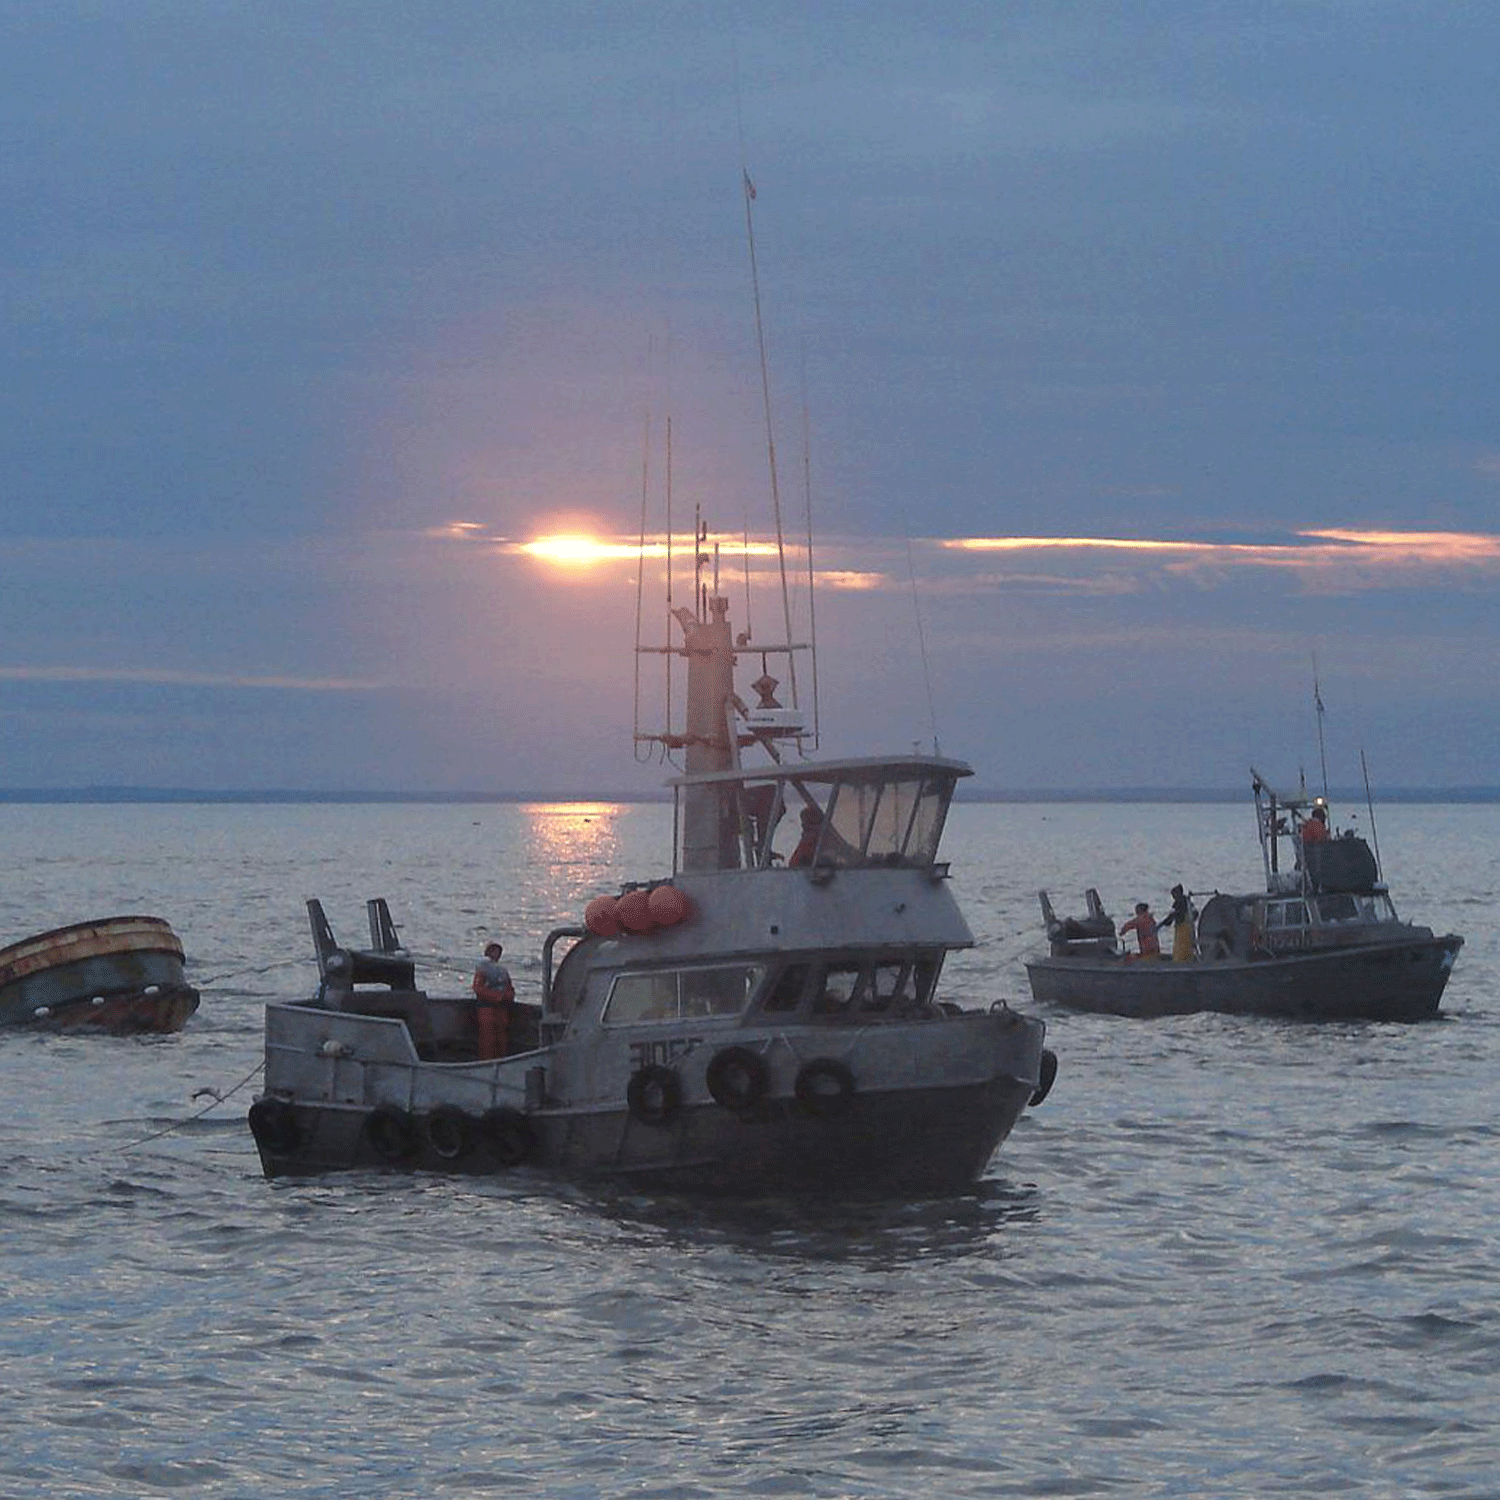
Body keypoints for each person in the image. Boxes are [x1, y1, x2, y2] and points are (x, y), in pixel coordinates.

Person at [472, 941, 515, 1059]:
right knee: (487, 1038)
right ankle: (486, 1062)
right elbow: (477, 988)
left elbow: (509, 987)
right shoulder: (482, 968)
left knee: (501, 1038)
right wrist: (496, 996)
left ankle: (501, 1060)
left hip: (501, 1009)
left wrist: (508, 996)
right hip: (487, 1008)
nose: (496, 953)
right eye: (493, 950)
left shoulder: (503, 970)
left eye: (498, 951)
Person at [1160, 883, 1194, 962]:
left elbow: (1171, 917)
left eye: (1174, 894)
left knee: (1180, 948)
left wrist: (1161, 925)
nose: (1173, 896)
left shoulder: (1178, 903)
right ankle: (1189, 960)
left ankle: (1180, 962)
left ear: (1178, 893)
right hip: (1189, 928)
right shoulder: (1188, 901)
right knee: (1188, 947)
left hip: (1182, 928)